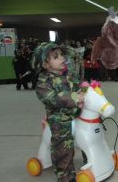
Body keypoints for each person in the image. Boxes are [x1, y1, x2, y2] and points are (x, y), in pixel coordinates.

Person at [32, 42, 85, 182]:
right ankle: (66, 178)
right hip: (59, 121)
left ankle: (85, 162)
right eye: (56, 57)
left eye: (62, 55)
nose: (62, 58)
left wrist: (84, 90)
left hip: (76, 116)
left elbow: (80, 85)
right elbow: (53, 99)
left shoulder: (69, 74)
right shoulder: (43, 82)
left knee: (85, 138)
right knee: (63, 152)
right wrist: (75, 97)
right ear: (45, 64)